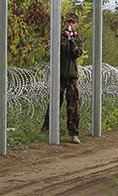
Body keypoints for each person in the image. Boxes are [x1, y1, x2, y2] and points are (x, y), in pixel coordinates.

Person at [41, 12, 84, 144]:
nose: (70, 25)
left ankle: (74, 133)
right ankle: (46, 129)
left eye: (73, 22)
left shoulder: (78, 39)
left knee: (73, 105)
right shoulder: (59, 37)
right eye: (68, 22)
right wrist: (60, 39)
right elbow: (52, 50)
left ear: (77, 24)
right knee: (54, 102)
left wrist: (72, 42)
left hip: (71, 76)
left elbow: (77, 54)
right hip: (59, 75)